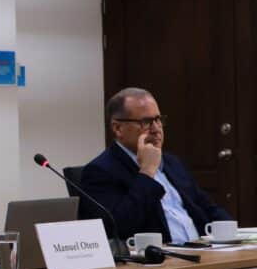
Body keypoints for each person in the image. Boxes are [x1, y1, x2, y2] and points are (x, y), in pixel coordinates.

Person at [80, 87, 231, 244]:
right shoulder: (100, 171)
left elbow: (207, 207)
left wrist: (233, 235)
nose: (156, 129)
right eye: (146, 122)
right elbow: (119, 227)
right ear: (118, 128)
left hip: (202, 251)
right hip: (160, 259)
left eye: (158, 119)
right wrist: (147, 172)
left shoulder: (172, 163)